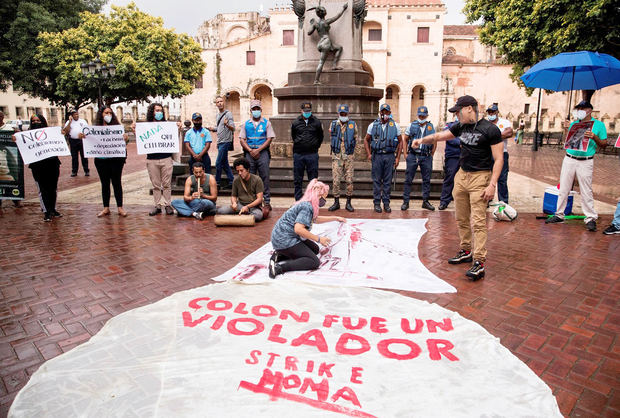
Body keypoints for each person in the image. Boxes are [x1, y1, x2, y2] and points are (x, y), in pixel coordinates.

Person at [411, 95, 503, 281]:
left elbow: (499, 158)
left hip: (480, 177)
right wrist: (421, 141)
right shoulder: (461, 126)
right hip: (462, 175)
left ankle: (479, 261)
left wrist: (492, 185)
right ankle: (466, 249)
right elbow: (440, 136)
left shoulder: (490, 130)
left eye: (458, 111)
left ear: (469, 108)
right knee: (461, 217)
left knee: (477, 221)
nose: (457, 116)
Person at [546, 100, 608, 231]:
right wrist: (567, 129)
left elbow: (604, 144)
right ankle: (559, 214)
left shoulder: (599, 125)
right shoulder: (574, 124)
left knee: (586, 189)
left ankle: (590, 217)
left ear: (589, 110)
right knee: (564, 187)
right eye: (578, 108)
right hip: (569, 158)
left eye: (582, 108)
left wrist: (594, 137)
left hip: (586, 160)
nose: (579, 111)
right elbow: (568, 142)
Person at [269, 179, 346, 278]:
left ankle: (280, 254)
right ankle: (279, 267)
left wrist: (335, 218)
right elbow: (299, 229)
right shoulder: (307, 206)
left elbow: (314, 219)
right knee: (314, 261)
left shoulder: (307, 203)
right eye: (324, 197)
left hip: (283, 236)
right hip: (284, 239)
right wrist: (319, 239)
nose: (324, 201)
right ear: (319, 196)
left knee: (315, 249)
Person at [18, 114, 62, 222]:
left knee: (53, 188)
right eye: (33, 121)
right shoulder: (27, 135)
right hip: (38, 166)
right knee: (43, 189)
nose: (36, 123)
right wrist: (16, 139)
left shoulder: (50, 133)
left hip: (52, 163)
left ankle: (53, 209)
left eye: (38, 120)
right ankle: (46, 211)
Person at [364, 103, 403, 213]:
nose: (384, 114)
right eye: (383, 112)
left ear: (390, 113)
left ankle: (386, 203)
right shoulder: (373, 125)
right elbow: (366, 140)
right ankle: (377, 203)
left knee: (387, 181)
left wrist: (397, 158)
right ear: (380, 113)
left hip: (389, 156)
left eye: (386, 112)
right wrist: (369, 154)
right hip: (377, 156)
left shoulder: (395, 126)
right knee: (376, 181)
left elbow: (401, 142)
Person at [92, 107, 129, 218]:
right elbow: (89, 141)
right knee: (105, 183)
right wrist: (82, 137)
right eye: (106, 113)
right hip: (101, 160)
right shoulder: (95, 129)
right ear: (101, 114)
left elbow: (124, 143)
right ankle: (106, 208)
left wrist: (125, 139)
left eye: (110, 113)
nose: (108, 115)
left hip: (116, 159)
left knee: (116, 182)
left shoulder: (117, 127)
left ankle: (120, 207)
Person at [140, 103, 175, 216]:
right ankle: (158, 205)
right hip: (152, 159)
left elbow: (173, 137)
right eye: (157, 110)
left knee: (166, 183)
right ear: (152, 112)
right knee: (156, 185)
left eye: (161, 111)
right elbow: (141, 138)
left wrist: (177, 128)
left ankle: (167, 205)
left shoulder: (167, 125)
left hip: (166, 158)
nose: (159, 113)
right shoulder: (146, 126)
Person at [239, 99, 274, 210]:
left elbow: (269, 139)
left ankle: (266, 201)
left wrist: (258, 150)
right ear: (251, 110)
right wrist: (250, 150)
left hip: (262, 153)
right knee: (250, 177)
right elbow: (242, 139)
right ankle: (252, 201)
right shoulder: (246, 124)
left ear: (261, 110)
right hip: (249, 153)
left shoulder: (266, 123)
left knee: (265, 176)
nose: (256, 111)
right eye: (254, 109)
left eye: (257, 109)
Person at [402, 106, 436, 211]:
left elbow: (435, 141)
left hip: (426, 156)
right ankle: (406, 201)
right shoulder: (411, 125)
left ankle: (425, 201)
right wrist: (405, 154)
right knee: (408, 179)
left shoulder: (431, 126)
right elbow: (405, 139)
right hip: (413, 155)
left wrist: (432, 154)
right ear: (417, 115)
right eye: (420, 115)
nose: (422, 117)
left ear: (427, 116)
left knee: (426, 179)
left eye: (424, 116)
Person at [291, 102, 323, 201]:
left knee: (313, 179)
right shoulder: (296, 122)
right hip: (299, 154)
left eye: (308, 111)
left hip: (312, 154)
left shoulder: (317, 122)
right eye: (305, 111)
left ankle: (312, 199)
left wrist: (314, 146)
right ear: (301, 111)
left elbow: (320, 137)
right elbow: (293, 136)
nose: (307, 113)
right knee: (298, 179)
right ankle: (298, 200)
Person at [328, 104, 356, 212]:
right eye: (341, 114)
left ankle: (348, 203)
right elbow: (331, 137)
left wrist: (351, 152)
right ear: (338, 114)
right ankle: (336, 202)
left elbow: (355, 138)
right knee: (336, 181)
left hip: (348, 157)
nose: (343, 115)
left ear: (348, 114)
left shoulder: (353, 125)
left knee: (349, 180)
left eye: (345, 114)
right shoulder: (333, 124)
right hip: (337, 157)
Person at [217, 158, 265, 222]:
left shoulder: (257, 180)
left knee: (258, 216)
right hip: (240, 205)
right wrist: (234, 203)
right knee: (221, 211)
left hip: (253, 207)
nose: (239, 173)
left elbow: (259, 199)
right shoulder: (236, 180)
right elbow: (233, 196)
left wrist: (247, 207)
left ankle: (241, 216)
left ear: (247, 169)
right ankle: (245, 217)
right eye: (238, 171)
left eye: (241, 170)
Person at [486, 103, 514, 204]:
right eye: (489, 112)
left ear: (497, 112)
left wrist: (492, 136)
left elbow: (509, 133)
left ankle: (503, 202)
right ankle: (487, 200)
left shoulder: (504, 122)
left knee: (502, 179)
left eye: (493, 112)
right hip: (488, 154)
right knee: (487, 178)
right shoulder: (485, 123)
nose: (491, 114)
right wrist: (500, 135)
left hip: (502, 154)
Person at [208, 96, 235, 190]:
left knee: (218, 163)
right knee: (225, 163)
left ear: (224, 102)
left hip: (226, 141)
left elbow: (233, 127)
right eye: (217, 102)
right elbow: (220, 127)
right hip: (220, 142)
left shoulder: (228, 114)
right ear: (216, 104)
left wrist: (227, 124)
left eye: (221, 101)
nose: (219, 103)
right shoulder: (217, 115)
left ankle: (217, 183)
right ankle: (232, 181)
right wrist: (213, 129)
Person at [439, 111, 461, 210]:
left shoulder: (470, 126)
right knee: (449, 178)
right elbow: (448, 137)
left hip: (467, 156)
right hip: (453, 156)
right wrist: (463, 142)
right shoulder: (449, 125)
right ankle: (444, 201)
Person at [61, 109, 89, 177]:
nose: (76, 115)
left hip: (81, 141)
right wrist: (70, 122)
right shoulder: (69, 122)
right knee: (74, 157)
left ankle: (86, 171)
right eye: (74, 114)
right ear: (72, 115)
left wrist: (83, 134)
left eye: (76, 114)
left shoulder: (83, 121)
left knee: (84, 157)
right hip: (73, 141)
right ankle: (74, 171)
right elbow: (65, 131)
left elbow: (87, 130)